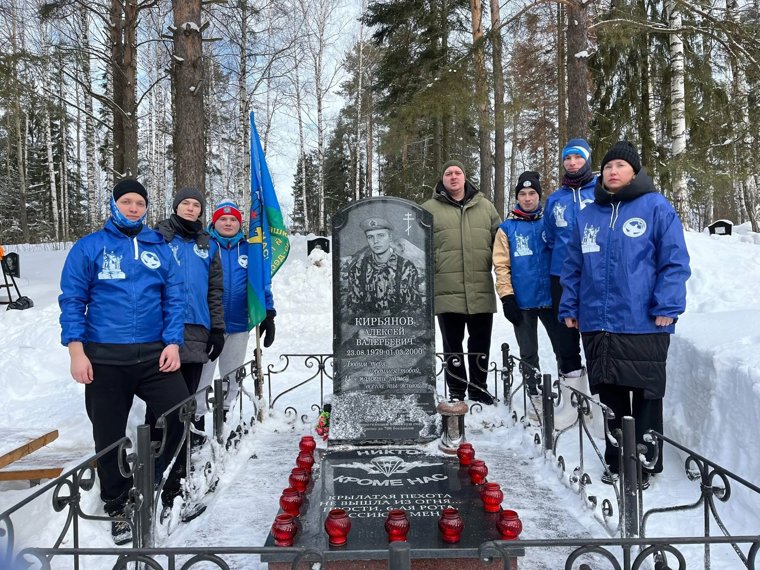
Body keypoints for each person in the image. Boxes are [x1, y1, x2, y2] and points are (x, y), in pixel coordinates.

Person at [59, 179, 189, 544]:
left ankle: (163, 481)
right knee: (109, 436)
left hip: (153, 356)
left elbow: (174, 299)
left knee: (179, 411)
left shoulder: (158, 247)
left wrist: (173, 344)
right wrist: (76, 350)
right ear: (114, 205)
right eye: (127, 202)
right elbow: (72, 301)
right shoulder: (90, 247)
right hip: (105, 359)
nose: (134, 208)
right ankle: (119, 502)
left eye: (140, 203)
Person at [559, 141, 691, 488]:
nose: (613, 171)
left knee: (645, 396)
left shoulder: (656, 207)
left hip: (643, 320)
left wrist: (667, 305)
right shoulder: (588, 215)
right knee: (612, 397)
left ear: (634, 171)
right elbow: (573, 267)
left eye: (620, 165)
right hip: (597, 322)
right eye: (608, 166)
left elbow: (674, 260)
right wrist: (570, 306)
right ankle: (617, 459)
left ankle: (644, 464)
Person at [422, 160, 501, 404]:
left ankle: (479, 388)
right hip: (447, 289)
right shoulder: (427, 209)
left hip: (479, 288)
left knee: (480, 343)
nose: (454, 177)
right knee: (452, 343)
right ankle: (457, 389)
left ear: (465, 177)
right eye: (448, 173)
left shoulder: (486, 207)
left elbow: (500, 244)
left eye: (458, 172)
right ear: (442, 179)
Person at [153, 188, 225, 445]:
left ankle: (182, 448)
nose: (191, 208)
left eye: (196, 204)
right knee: (162, 395)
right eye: (186, 203)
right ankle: (157, 448)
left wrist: (217, 328)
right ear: (176, 207)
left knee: (187, 395)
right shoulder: (157, 239)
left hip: (197, 328)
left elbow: (215, 290)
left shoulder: (209, 245)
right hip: (163, 327)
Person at [197, 200, 276, 423]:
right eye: (223, 218)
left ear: (240, 223)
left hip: (239, 324)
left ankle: (225, 419)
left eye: (233, 219)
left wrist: (268, 313)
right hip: (208, 325)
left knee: (232, 376)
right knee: (202, 377)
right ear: (215, 221)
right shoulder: (204, 246)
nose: (228, 223)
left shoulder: (250, 248)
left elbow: (261, 284)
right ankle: (198, 422)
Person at [493, 171, 561, 420]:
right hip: (522, 300)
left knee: (563, 349)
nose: (528, 198)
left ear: (539, 196)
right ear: (517, 197)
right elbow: (501, 266)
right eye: (522, 193)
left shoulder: (550, 222)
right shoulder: (507, 229)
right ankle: (534, 395)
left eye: (532, 193)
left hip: (553, 299)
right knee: (528, 351)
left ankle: (567, 394)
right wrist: (507, 297)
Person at [544, 139, 597, 402]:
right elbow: (550, 236)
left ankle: (598, 400)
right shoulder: (555, 199)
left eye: (577, 157)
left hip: (594, 275)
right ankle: (572, 398)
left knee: (594, 335)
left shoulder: (600, 192)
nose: (572, 162)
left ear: (587, 159)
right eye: (567, 158)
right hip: (562, 277)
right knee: (566, 339)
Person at [345, 217, 422, 315]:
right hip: (367, 328)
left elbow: (414, 308)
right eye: (370, 237)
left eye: (380, 235)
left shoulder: (406, 268)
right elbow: (353, 307)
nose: (375, 241)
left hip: (399, 327)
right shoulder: (357, 269)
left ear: (390, 237)